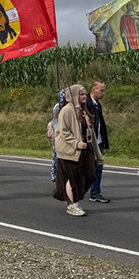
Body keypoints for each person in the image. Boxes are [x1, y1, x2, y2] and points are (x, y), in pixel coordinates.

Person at [53, 84, 102, 216]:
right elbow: (63, 131)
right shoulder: (67, 110)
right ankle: (72, 204)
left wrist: (88, 122)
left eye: (85, 94)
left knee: (90, 174)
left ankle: (71, 197)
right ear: (74, 95)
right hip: (70, 151)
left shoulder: (83, 109)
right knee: (72, 178)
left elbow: (89, 132)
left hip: (86, 148)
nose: (84, 96)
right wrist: (76, 143)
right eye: (81, 94)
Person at [86, 81, 111, 203]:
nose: (103, 93)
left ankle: (95, 193)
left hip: (98, 141)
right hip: (88, 141)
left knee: (98, 167)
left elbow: (100, 124)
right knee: (84, 168)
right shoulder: (87, 103)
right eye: (101, 90)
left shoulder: (97, 105)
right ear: (94, 90)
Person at [47, 89, 66, 182]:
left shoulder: (70, 107)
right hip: (58, 135)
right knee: (56, 157)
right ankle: (54, 173)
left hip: (66, 136)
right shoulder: (57, 107)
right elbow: (55, 121)